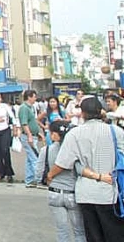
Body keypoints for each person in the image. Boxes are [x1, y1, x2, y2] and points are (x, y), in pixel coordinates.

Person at [48, 97, 124, 241]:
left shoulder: (75, 134)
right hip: (110, 190)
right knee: (114, 234)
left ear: (82, 113)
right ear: (101, 111)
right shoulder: (116, 131)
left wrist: (50, 176)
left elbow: (63, 163)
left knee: (93, 234)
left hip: (85, 193)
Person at [38, 121, 86, 242]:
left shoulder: (46, 150)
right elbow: (80, 170)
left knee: (62, 230)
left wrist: (48, 178)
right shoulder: (75, 150)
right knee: (79, 231)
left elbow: (38, 173)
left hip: (54, 192)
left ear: (54, 134)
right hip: (72, 192)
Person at [19, 90, 43, 188]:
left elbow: (33, 122)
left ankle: (29, 179)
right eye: (34, 96)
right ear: (29, 97)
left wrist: (37, 133)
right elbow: (24, 123)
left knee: (30, 159)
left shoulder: (31, 108)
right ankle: (38, 179)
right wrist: (29, 135)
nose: (35, 98)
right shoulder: (24, 108)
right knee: (35, 158)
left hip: (33, 135)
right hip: (27, 136)